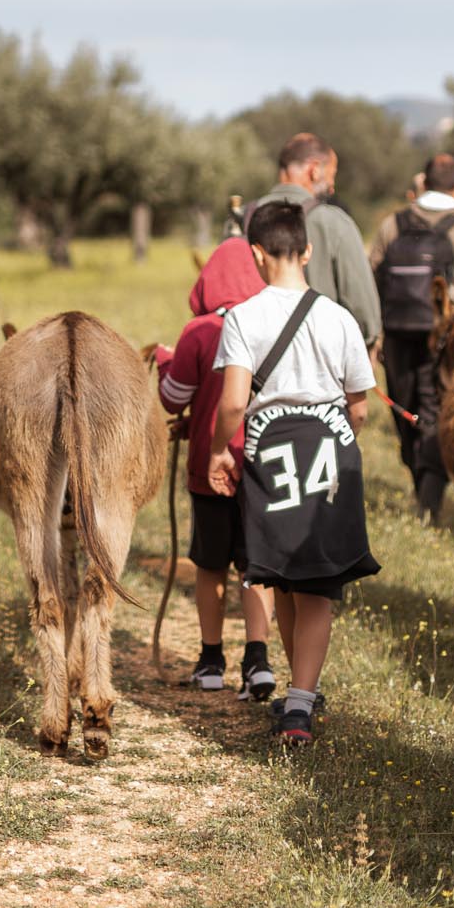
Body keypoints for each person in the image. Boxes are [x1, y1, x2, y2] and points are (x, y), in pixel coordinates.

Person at [207, 201, 378, 747]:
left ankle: (297, 698)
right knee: (317, 589)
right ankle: (301, 701)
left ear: (256, 254)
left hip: (269, 460)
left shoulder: (243, 318)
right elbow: (360, 405)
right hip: (330, 457)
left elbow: (234, 403)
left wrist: (218, 451)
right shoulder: (340, 317)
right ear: (306, 251)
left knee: (281, 576)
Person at [154, 236, 277, 701]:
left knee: (209, 566)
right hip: (263, 467)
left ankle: (210, 661)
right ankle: (258, 661)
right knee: (256, 567)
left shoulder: (199, 331)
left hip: (210, 466)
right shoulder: (270, 324)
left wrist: (166, 361)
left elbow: (173, 397)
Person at [367, 152, 454, 523]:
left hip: (398, 337)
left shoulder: (391, 225)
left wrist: (375, 335)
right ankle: (429, 501)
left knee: (405, 408)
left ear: (423, 183)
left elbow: (371, 278)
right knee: (437, 413)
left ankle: (423, 492)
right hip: (450, 344)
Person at [239, 133, 384, 351]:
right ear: (314, 170)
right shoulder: (336, 223)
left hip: (251, 358)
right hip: (321, 358)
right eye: (332, 175)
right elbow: (363, 310)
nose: (333, 186)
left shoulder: (242, 217)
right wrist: (368, 343)